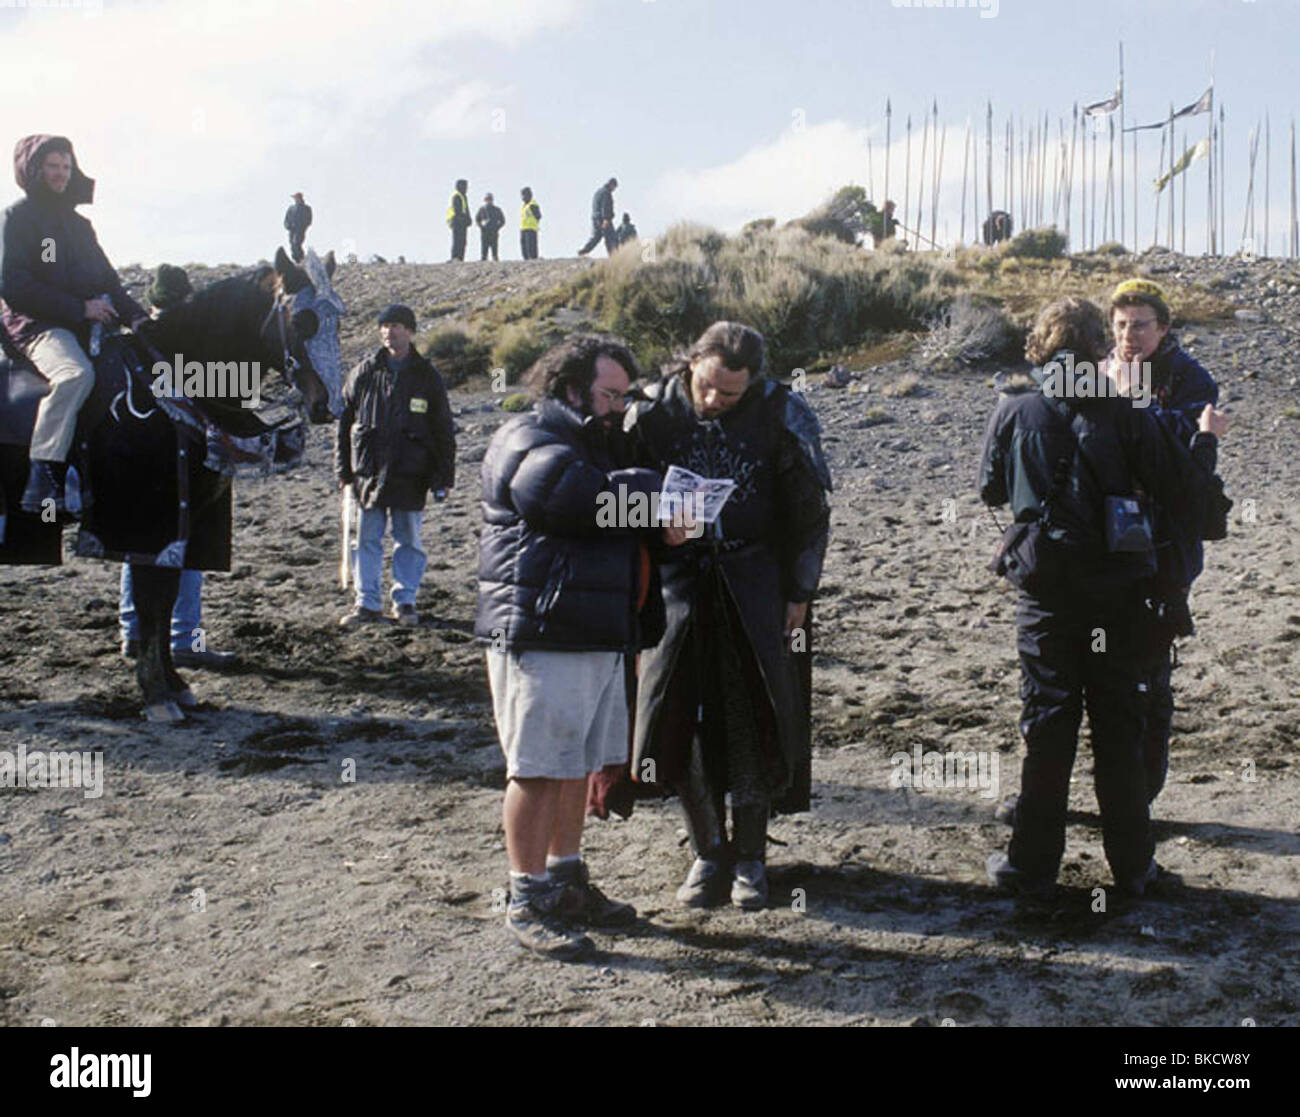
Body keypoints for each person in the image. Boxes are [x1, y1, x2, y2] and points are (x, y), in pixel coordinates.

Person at [979, 297, 1226, 901]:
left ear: (1038, 348)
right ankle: (1134, 869)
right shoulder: (1128, 413)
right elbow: (1194, 506)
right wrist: (1204, 444)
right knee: (1119, 728)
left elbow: (990, 488)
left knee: (1047, 725)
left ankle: (1030, 867)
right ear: (1098, 349)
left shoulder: (1014, 407)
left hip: (1045, 594)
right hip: (1119, 593)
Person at [625, 321, 832, 910]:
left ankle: (750, 859)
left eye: (730, 394)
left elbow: (809, 511)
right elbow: (613, 497)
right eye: (707, 385)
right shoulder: (651, 416)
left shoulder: (781, 414)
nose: (714, 401)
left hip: (754, 584)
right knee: (674, 718)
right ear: (690, 362)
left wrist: (799, 590)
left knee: (753, 715)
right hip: (674, 587)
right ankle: (706, 851)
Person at [476, 335, 664, 959]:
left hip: (586, 627)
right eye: (610, 394)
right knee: (536, 768)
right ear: (571, 388)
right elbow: (571, 500)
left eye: (624, 395)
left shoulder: (591, 444)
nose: (619, 406)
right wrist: (653, 490)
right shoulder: (529, 438)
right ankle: (525, 897)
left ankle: (565, 878)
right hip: (542, 629)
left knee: (572, 763)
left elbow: (604, 506)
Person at [1105, 279, 1222, 805]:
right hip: (1103, 540)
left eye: (1141, 325)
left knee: (1150, 669)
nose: (1130, 335)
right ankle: (1109, 786)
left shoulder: (1189, 377)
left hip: (1166, 542)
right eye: (1122, 324)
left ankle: (1143, 792)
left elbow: (1184, 444)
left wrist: (1132, 403)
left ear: (1165, 328)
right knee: (1100, 665)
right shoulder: (1094, 369)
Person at [0, 134, 150, 520]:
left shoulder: (80, 226)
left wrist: (141, 321)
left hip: (84, 324)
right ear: (34, 170)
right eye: (53, 166)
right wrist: (79, 308)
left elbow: (111, 283)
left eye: (66, 167)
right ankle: (44, 477)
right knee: (74, 375)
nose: (61, 174)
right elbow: (14, 285)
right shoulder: (18, 219)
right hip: (36, 326)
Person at [117, 263, 235, 669]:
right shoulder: (196, 348)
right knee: (187, 558)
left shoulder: (132, 346)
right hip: (178, 470)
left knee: (142, 552)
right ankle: (185, 639)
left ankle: (135, 633)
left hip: (151, 468)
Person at [336, 304, 454, 628]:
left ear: (411, 331)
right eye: (385, 325)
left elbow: (443, 427)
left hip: (410, 472)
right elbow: (345, 424)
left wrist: (444, 475)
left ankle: (405, 602)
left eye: (398, 326)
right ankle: (367, 603)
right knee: (367, 540)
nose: (390, 331)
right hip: (368, 473)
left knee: (409, 541)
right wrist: (343, 473)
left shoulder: (427, 376)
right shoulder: (362, 372)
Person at [577, 177, 618, 256]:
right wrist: (606, 219)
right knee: (611, 238)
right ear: (612, 185)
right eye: (614, 187)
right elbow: (605, 207)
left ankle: (583, 252)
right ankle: (613, 256)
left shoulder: (598, 192)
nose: (614, 189)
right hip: (603, 219)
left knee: (596, 238)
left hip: (595, 218)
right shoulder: (606, 193)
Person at [475, 193, 505, 261]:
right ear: (485, 200)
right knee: (484, 249)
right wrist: (481, 226)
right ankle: (483, 259)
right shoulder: (482, 209)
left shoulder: (497, 210)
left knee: (494, 249)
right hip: (485, 232)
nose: (489, 201)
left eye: (490, 199)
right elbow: (477, 219)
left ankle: (495, 259)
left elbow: (502, 221)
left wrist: (497, 227)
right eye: (487, 199)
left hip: (493, 232)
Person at [446, 179, 471, 261]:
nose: (466, 188)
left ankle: (460, 258)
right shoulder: (457, 196)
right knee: (457, 240)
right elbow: (458, 210)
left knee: (462, 241)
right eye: (465, 186)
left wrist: (468, 219)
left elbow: (466, 209)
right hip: (457, 221)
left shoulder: (464, 197)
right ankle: (455, 257)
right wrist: (464, 217)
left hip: (463, 222)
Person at [284, 192, 312, 262]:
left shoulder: (306, 208)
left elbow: (309, 219)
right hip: (292, 230)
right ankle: (296, 260)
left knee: (297, 243)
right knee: (292, 245)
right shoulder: (291, 208)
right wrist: (288, 226)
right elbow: (286, 219)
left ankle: (301, 259)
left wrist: (303, 226)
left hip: (300, 230)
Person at [519, 187, 542, 260]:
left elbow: (538, 216)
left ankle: (533, 260)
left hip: (531, 229)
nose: (523, 197)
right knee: (524, 248)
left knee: (531, 248)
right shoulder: (524, 206)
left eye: (524, 195)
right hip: (523, 228)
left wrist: (535, 224)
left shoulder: (532, 205)